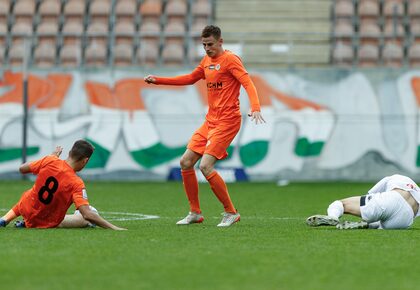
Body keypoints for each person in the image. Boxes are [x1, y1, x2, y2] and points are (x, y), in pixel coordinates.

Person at [144, 25, 265, 227]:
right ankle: (195, 213)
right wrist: (158, 80)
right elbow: (190, 78)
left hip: (228, 121)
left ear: (220, 42)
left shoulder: (231, 60)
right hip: (211, 120)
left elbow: (247, 83)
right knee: (185, 162)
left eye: (210, 44)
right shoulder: (207, 61)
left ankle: (231, 212)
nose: (207, 48)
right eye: (204, 45)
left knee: (206, 166)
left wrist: (256, 107)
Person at [0, 140, 126, 230]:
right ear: (85, 160)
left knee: (29, 195)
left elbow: (22, 169)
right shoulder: (76, 183)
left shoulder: (50, 160)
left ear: (70, 152)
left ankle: (5, 219)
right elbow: (87, 214)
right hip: (45, 222)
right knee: (89, 214)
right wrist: (114, 227)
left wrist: (50, 156)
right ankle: (28, 224)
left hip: (27, 209)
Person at [306, 174, 420, 230]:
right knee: (381, 223)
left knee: (341, 204)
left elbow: (371, 194)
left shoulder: (393, 177)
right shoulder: (418, 191)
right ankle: (365, 225)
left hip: (393, 199)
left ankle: (333, 217)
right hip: (406, 219)